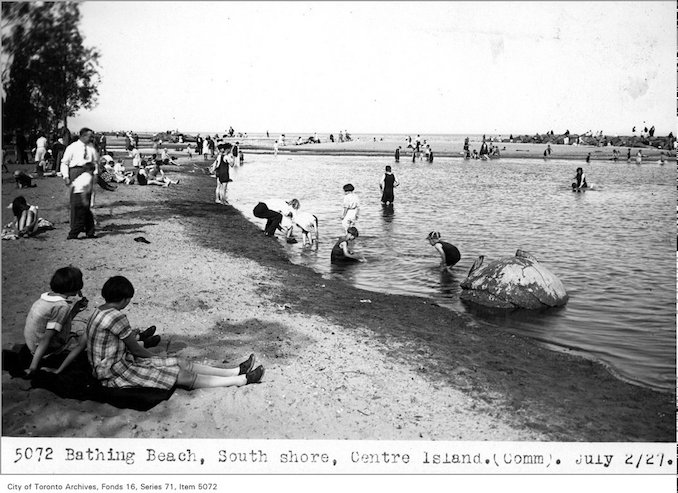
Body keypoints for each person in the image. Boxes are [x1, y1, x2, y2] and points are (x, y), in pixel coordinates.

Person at [80, 276, 264, 391]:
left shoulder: (98, 311)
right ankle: (240, 380)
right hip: (115, 371)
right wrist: (156, 358)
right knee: (182, 375)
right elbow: (136, 350)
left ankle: (235, 371)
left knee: (180, 363)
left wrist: (158, 358)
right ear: (124, 299)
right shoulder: (116, 317)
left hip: (111, 364)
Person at [22, 266, 89, 378]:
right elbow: (47, 337)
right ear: (75, 287)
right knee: (86, 340)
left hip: (32, 344)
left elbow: (59, 322)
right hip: (46, 350)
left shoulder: (45, 298)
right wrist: (33, 367)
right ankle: (56, 366)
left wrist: (75, 310)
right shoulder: (61, 306)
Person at [67, 162, 96, 239]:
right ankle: (72, 234)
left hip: (75, 196)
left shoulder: (81, 176)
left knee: (88, 216)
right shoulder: (89, 177)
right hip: (82, 197)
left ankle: (90, 233)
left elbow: (71, 186)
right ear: (91, 170)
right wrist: (85, 200)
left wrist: (71, 199)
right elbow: (85, 189)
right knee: (81, 219)